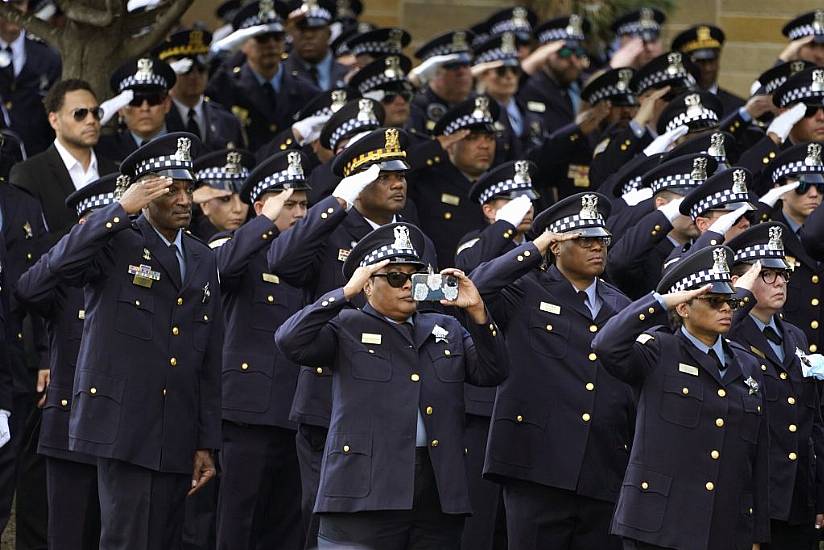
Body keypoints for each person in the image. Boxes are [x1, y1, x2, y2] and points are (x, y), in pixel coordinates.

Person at [275, 221, 508, 549]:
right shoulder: (345, 325)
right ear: (367, 285)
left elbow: (492, 372)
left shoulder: (445, 327)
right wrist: (344, 294)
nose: (407, 286)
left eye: (415, 277)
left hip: (436, 494)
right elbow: (289, 340)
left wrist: (478, 312)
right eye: (395, 277)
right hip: (364, 491)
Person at [43, 133, 222, 550]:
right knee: (125, 539)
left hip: (176, 427)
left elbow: (209, 352)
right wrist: (120, 209)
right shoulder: (116, 239)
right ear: (145, 193)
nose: (183, 200)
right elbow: (59, 265)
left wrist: (205, 440)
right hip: (124, 425)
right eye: (170, 190)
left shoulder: (201, 255)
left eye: (188, 189)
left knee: (164, 539)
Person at [266, 127, 438, 548]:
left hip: (395, 404)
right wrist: (337, 202)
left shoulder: (417, 240)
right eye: (383, 177)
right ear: (357, 183)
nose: (397, 183)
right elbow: (282, 260)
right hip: (330, 400)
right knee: (324, 524)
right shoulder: (331, 227)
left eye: (401, 176)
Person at [470, 192, 633, 550]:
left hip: (602, 466)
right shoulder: (526, 289)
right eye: (583, 239)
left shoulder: (621, 305)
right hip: (536, 464)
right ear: (556, 246)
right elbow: (477, 285)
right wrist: (536, 245)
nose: (596, 248)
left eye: (601, 240)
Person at [591, 245, 769, 550]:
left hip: (724, 526)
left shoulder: (747, 364)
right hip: (659, 524)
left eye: (729, 301)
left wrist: (757, 534)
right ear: (684, 307)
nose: (726, 308)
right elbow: (606, 344)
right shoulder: (659, 350)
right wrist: (660, 302)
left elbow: (758, 456)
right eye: (714, 301)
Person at [15, 174, 124, 550]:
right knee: (68, 537)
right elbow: (29, 288)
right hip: (68, 431)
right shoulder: (65, 278)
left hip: (121, 434)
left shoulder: (134, 274)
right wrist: (87, 236)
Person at [210, 150, 311, 550]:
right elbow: (219, 270)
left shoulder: (308, 256)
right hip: (246, 414)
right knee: (237, 525)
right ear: (261, 206)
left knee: (285, 527)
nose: (300, 213)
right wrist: (266, 223)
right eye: (290, 204)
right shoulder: (240, 246)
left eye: (304, 204)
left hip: (295, 411)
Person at [726, 223, 824, 548]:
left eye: (783, 273)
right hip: (753, 495)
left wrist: (819, 493)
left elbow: (813, 423)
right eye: (767, 274)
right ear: (741, 281)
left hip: (798, 495)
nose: (780, 281)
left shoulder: (795, 336)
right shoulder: (729, 334)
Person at [10, 79, 118, 246]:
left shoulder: (116, 171)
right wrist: (91, 227)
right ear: (54, 120)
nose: (91, 120)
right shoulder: (28, 174)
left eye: (96, 112)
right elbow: (28, 246)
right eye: (80, 113)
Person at [206, 0, 320, 152]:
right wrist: (219, 49)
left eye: (277, 37)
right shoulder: (227, 87)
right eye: (262, 39)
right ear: (244, 44)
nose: (271, 44)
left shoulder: (305, 90)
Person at [408, 96, 495, 265]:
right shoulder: (428, 181)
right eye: (472, 138)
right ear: (451, 144)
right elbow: (400, 171)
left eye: (489, 138)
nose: (484, 145)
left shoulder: (500, 186)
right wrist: (435, 147)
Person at [155, 29, 244, 152]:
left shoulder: (227, 121)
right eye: (186, 70)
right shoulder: (155, 120)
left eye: (201, 69)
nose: (194, 76)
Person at [0, 0, 62, 155]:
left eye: (18, 4)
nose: (12, 13)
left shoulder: (48, 57)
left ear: (27, 8)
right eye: (7, 6)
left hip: (36, 154)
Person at [97, 57, 178, 163]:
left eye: (153, 99)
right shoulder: (103, 150)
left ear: (167, 104)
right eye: (135, 100)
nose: (145, 108)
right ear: (120, 109)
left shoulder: (188, 146)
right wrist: (97, 117)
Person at [519, 15, 589, 133]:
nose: (573, 60)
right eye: (564, 52)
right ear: (545, 52)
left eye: (578, 52)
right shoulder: (529, 87)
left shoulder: (585, 86)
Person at [409, 30, 475, 135]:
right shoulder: (416, 105)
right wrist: (416, 77)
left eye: (466, 64)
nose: (462, 72)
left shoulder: (479, 102)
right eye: (453, 66)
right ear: (433, 72)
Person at [671, 25, 744, 116]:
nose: (708, 68)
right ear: (686, 64)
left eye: (712, 61)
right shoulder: (672, 106)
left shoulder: (738, 108)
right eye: (701, 62)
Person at [189, 148, 255, 240]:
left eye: (243, 198)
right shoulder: (186, 237)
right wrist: (188, 200)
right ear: (204, 205)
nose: (238, 209)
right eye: (225, 199)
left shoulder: (257, 235)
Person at [283, 0, 348, 90]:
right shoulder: (279, 75)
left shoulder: (348, 74)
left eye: (316, 29)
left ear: (329, 33)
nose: (308, 35)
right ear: (291, 33)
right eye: (302, 29)